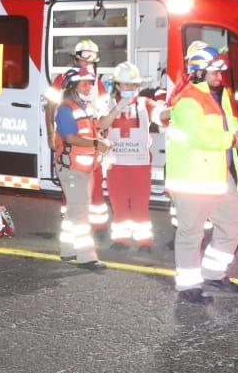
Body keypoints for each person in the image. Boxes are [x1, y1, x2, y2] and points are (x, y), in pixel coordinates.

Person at [165, 46, 238, 304]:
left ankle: (213, 273)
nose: (220, 75)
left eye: (221, 70)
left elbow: (228, 123)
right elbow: (200, 137)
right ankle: (188, 285)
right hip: (192, 179)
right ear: (199, 71)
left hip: (217, 175)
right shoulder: (188, 99)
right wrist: (232, 140)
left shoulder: (219, 94)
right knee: (191, 234)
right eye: (215, 70)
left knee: (235, 222)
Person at [44, 38, 112, 235]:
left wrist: (102, 136)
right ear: (75, 59)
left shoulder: (97, 84)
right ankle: (71, 227)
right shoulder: (62, 80)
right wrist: (49, 133)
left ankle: (97, 226)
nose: (88, 64)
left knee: (95, 184)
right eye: (84, 60)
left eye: (91, 61)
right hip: (70, 141)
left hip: (92, 143)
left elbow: (103, 112)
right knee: (71, 185)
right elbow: (49, 107)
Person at [99, 60, 159, 252]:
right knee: (119, 203)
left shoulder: (145, 104)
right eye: (126, 84)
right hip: (115, 164)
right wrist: (118, 107)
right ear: (117, 85)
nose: (131, 88)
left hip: (140, 163)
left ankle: (144, 242)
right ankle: (121, 238)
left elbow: (160, 113)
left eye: (134, 85)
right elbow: (101, 125)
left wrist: (171, 110)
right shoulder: (107, 103)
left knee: (141, 204)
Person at [52, 66, 108, 270]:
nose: (89, 87)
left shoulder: (86, 107)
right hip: (71, 167)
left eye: (91, 83)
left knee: (73, 211)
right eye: (84, 83)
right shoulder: (66, 109)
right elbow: (69, 138)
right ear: (73, 86)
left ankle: (67, 250)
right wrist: (96, 144)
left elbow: (98, 127)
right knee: (81, 212)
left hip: (83, 167)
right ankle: (87, 257)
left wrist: (118, 109)